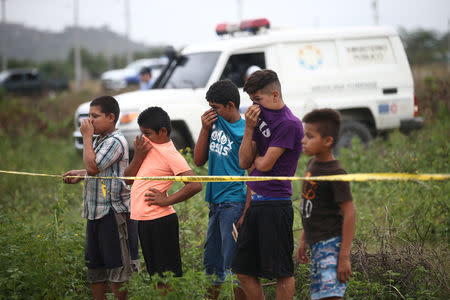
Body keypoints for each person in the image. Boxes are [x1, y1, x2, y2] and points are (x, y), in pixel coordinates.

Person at [232, 69, 304, 300]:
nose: (254, 106)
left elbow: (264, 164)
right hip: (255, 202)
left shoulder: (289, 123)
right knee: (242, 270)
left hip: (276, 203)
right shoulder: (257, 118)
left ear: (274, 94)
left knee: (281, 271)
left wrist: (257, 162)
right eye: (251, 101)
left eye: (257, 100)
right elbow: (245, 161)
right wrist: (250, 128)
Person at [62, 95, 139, 300]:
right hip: (95, 212)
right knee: (95, 270)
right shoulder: (101, 139)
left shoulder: (115, 141)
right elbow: (95, 168)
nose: (89, 121)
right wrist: (80, 173)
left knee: (117, 270)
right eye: (89, 116)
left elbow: (93, 167)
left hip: (112, 214)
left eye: (95, 116)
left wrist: (86, 138)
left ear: (111, 117)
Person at [123, 107, 202, 290]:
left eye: (148, 133)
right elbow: (127, 179)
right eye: (142, 133)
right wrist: (138, 156)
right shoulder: (146, 148)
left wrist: (166, 201)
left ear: (163, 131)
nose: (144, 137)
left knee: (167, 277)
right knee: (156, 276)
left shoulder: (169, 153)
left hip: (161, 221)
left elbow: (195, 184)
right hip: (145, 221)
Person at [193, 80, 247, 300]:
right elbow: (198, 160)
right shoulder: (215, 123)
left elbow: (251, 173)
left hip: (233, 202)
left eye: (215, 107)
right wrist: (205, 128)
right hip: (215, 203)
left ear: (231, 105)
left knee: (234, 264)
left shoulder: (245, 131)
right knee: (212, 261)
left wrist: (246, 211)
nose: (210, 112)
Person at [297, 108, 356, 300]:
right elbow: (311, 206)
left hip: (331, 244)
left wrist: (344, 256)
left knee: (330, 296)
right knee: (320, 295)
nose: (303, 141)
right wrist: (304, 239)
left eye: (309, 136)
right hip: (316, 244)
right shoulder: (312, 165)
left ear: (327, 141)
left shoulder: (335, 172)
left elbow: (350, 213)